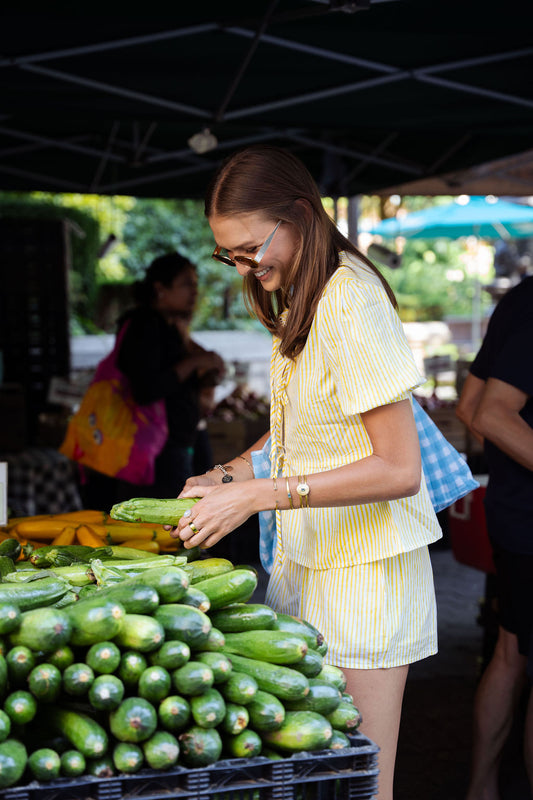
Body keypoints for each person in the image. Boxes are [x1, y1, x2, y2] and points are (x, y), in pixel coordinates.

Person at [173, 145, 442, 800]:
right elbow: (307, 418)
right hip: (310, 561)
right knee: (317, 782)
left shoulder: (348, 300)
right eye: (227, 255)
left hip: (365, 578)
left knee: (357, 784)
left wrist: (264, 493)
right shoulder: (303, 292)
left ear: (299, 214)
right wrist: (232, 473)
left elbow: (399, 467)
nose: (241, 266)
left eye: (248, 249)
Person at [456, 275, 533, 800]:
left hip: (516, 514)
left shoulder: (523, 296)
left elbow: (468, 406)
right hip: (528, 520)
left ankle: (481, 789)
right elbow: (488, 414)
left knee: (511, 651)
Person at [82, 252, 224, 509]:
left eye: (195, 283)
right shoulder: (143, 326)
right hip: (156, 453)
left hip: (173, 445)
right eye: (186, 284)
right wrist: (193, 363)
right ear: (160, 289)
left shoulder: (169, 325)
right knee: (162, 523)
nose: (194, 291)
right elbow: (146, 389)